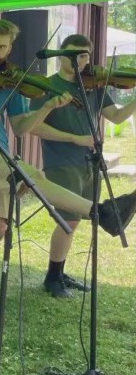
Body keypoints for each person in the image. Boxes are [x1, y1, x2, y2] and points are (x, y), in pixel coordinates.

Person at [0, 19, 136, 314]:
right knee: (31, 175)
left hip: (1, 154)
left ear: (10, 49)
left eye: (2, 47)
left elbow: (22, 128)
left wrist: (48, 106)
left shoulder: (9, 83)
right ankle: (101, 212)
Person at [28, 34, 136, 297]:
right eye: (74, 53)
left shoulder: (93, 87)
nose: (80, 59)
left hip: (89, 162)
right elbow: (34, 127)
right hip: (60, 161)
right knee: (69, 218)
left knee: (77, 220)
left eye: (85, 54)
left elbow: (117, 116)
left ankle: (60, 272)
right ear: (61, 54)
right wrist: (74, 138)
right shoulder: (47, 86)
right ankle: (52, 278)